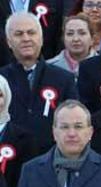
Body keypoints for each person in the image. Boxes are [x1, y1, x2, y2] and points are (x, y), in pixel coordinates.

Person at [1, 12, 78, 151]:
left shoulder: (64, 78)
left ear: (41, 39)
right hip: (8, 160)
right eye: (18, 34)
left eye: (31, 33)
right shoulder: (1, 79)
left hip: (50, 162)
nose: (26, 38)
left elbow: (74, 122)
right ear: (8, 42)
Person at [47, 14, 97, 79]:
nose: (75, 39)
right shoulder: (48, 67)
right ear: (63, 39)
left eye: (82, 33)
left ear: (92, 39)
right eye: (70, 34)